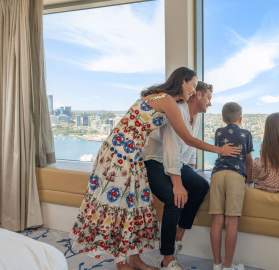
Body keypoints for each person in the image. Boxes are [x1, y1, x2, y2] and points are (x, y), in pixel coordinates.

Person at [70, 67, 239, 270]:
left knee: (136, 204)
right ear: (182, 81)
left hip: (133, 154)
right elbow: (187, 139)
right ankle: (122, 262)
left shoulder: (166, 100)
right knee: (121, 206)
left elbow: (181, 142)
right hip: (120, 154)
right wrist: (220, 149)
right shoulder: (167, 100)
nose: (194, 91)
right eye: (192, 86)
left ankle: (135, 259)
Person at [143, 81, 215, 270]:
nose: (210, 102)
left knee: (201, 186)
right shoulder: (178, 111)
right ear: (198, 95)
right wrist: (177, 183)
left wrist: (190, 170)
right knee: (174, 198)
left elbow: (189, 148)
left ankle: (179, 234)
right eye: (208, 97)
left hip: (176, 163)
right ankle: (167, 258)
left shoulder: (197, 117)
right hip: (155, 160)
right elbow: (171, 149)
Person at [209, 102, 253, 270]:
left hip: (217, 174)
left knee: (216, 220)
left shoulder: (219, 132)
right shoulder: (246, 133)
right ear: (240, 118)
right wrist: (249, 180)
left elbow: (221, 152)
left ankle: (216, 264)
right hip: (235, 176)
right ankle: (228, 266)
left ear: (223, 117)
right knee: (232, 222)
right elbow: (248, 161)